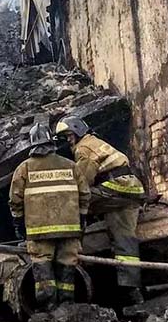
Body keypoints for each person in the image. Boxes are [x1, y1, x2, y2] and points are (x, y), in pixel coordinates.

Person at [54, 115, 146, 304]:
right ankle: (131, 291)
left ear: (78, 130)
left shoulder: (84, 148)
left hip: (116, 188)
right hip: (131, 191)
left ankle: (71, 247)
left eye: (69, 135)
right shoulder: (95, 142)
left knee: (76, 201)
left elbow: (82, 183)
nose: (68, 140)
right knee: (124, 239)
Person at [9, 124, 90, 311]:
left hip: (39, 232)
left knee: (42, 265)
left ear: (32, 145)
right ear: (51, 142)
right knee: (67, 264)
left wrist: (19, 223)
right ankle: (68, 306)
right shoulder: (71, 166)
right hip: (69, 229)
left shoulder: (24, 169)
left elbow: (15, 200)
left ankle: (49, 307)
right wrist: (82, 219)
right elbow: (85, 194)